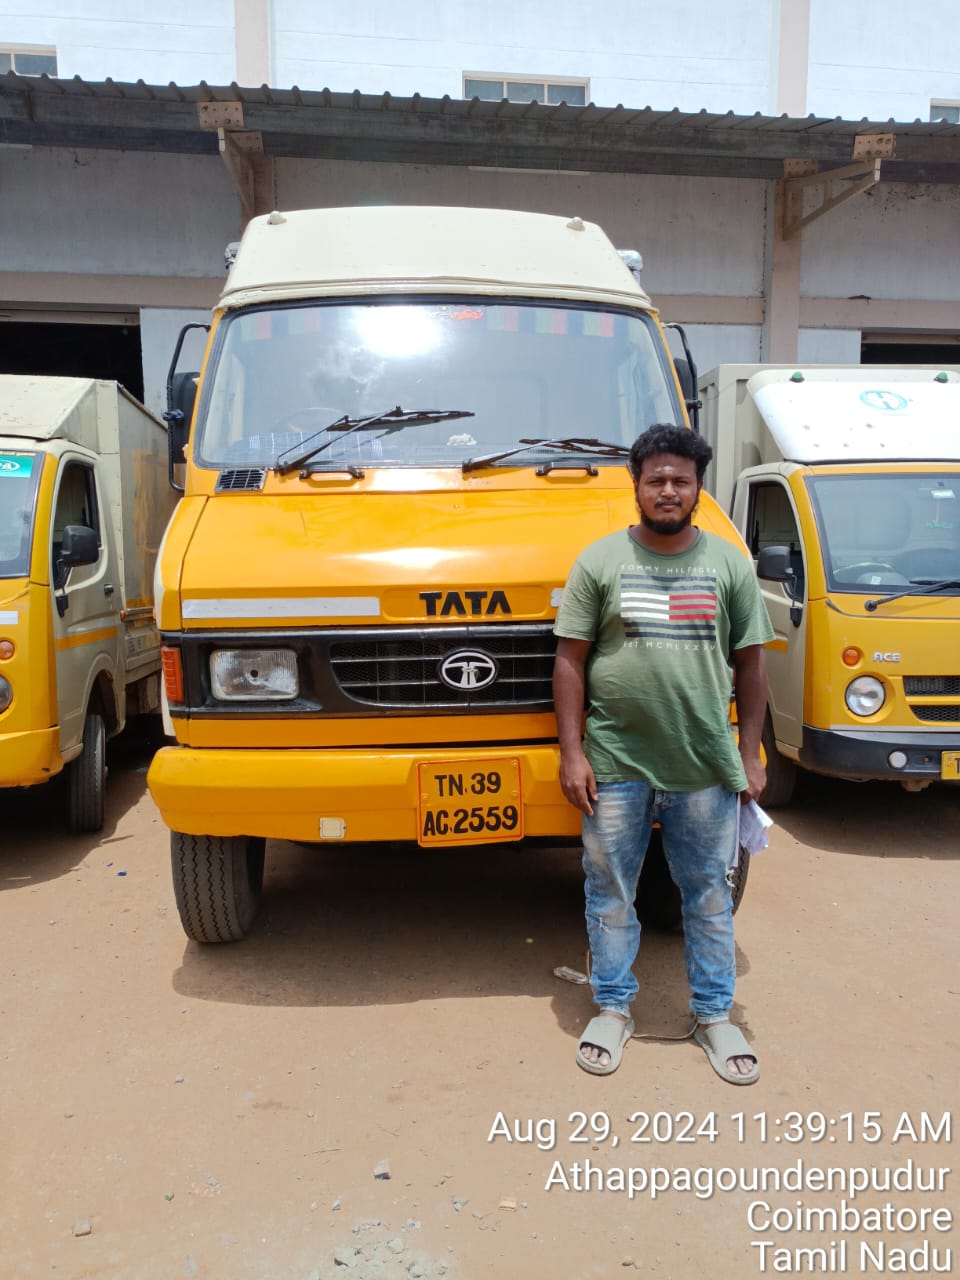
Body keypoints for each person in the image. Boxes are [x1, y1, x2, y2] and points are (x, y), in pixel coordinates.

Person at [552, 423, 774, 1084]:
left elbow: (752, 665)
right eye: (657, 479)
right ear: (637, 485)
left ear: (699, 488)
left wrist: (751, 753)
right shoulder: (599, 561)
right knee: (610, 891)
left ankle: (714, 1015)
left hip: (703, 764)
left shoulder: (729, 565)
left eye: (681, 480)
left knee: (707, 895)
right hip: (615, 763)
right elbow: (570, 661)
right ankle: (612, 1007)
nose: (668, 490)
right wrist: (572, 753)